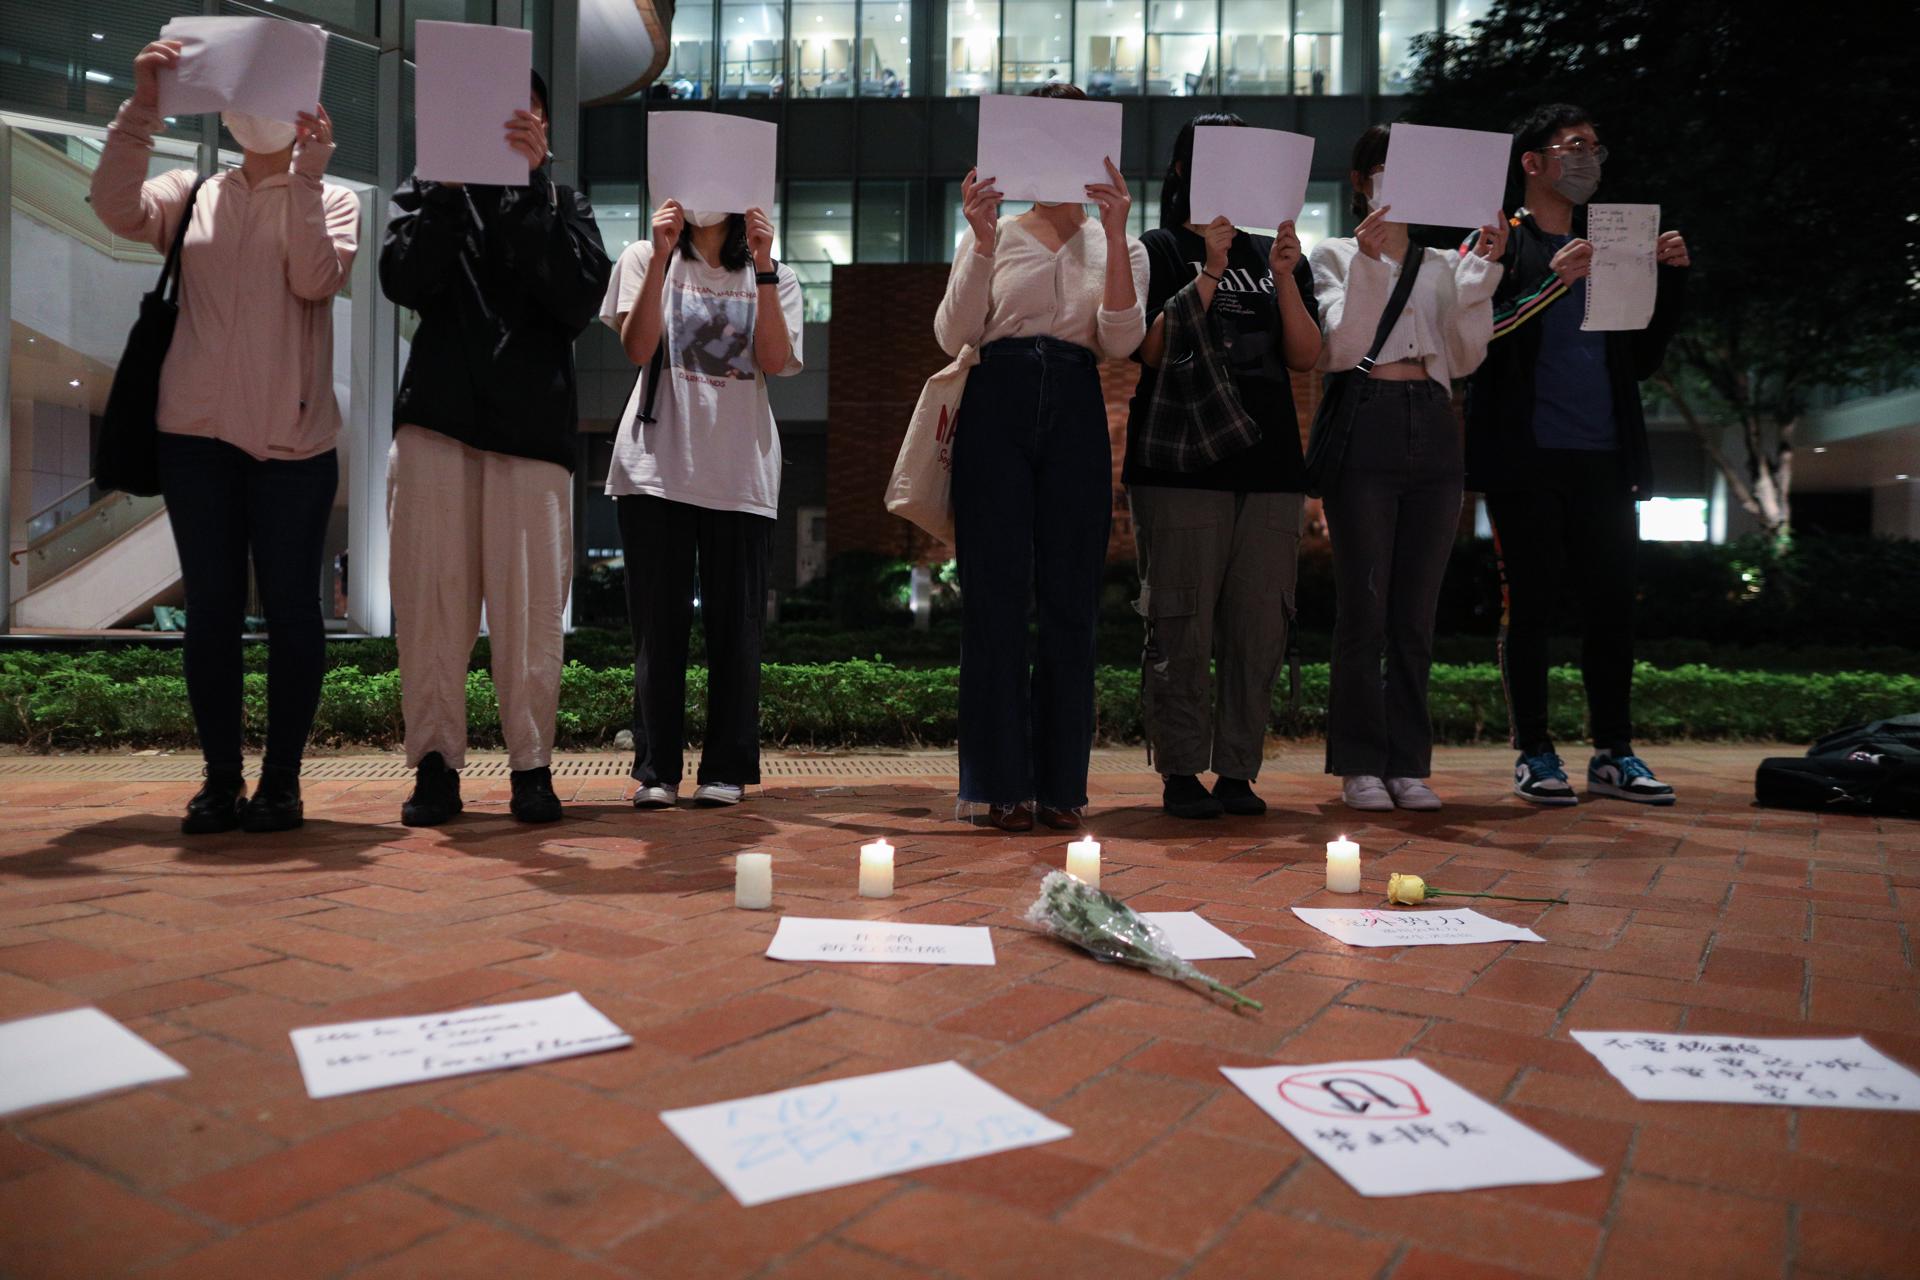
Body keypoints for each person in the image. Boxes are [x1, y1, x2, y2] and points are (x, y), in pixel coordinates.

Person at [91, 39, 358, 835]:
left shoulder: (332, 197)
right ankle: (218, 781)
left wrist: (309, 176)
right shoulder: (193, 189)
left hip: (294, 444)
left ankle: (281, 783)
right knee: (210, 611)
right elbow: (112, 208)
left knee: (291, 612)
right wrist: (143, 107)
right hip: (196, 438)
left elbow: (315, 278)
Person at [380, 70, 612, 827]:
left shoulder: (561, 202)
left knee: (531, 610)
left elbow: (578, 299)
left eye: (529, 117)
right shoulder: (427, 189)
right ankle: (437, 766)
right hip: (437, 423)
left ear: (545, 128)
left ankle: (532, 767)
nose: (513, 128)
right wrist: (448, 191)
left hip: (532, 430)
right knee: (432, 602)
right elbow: (403, 278)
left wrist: (529, 188)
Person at [935, 83, 1147, 832]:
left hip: (1079, 401)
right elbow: (951, 332)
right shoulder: (995, 232)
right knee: (993, 595)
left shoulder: (1118, 241)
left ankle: (1060, 787)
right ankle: (995, 783)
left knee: (1070, 600)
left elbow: (1121, 340)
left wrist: (1117, 234)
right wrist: (982, 240)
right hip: (999, 394)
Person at [1465, 104, 1690, 806]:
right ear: (1532, 163)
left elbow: (1641, 359)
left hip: (1604, 455)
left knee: (1611, 606)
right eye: (1574, 146)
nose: (1590, 158)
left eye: (1597, 145)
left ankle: (1613, 752)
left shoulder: (1616, 243)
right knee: (1529, 603)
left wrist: (1671, 279)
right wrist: (1547, 282)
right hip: (1526, 456)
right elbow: (1474, 341)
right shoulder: (1503, 239)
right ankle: (1535, 751)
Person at [1126, 113, 1323, 819]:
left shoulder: (1274, 253)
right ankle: (1181, 771)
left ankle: (1238, 771)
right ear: (1185, 170)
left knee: (1258, 626)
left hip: (1270, 465)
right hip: (1181, 465)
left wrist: (1285, 277)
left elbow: (1305, 355)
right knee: (1181, 625)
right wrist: (1209, 266)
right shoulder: (1157, 248)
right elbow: (1148, 350)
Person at [1309, 124, 1507, 813]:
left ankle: (1408, 763)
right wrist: (1367, 264)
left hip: (1434, 418)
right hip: (1368, 417)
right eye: (1385, 169)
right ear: (1363, 180)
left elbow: (1468, 356)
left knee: (1416, 614)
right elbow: (1338, 349)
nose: (1398, 182)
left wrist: (1481, 275)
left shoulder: (1440, 263)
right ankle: (1360, 763)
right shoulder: (1333, 252)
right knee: (1364, 605)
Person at [601, 196, 802, 809]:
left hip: (740, 470)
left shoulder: (776, 273)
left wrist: (764, 267)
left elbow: (774, 359)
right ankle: (656, 769)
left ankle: (726, 768)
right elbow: (636, 349)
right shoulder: (644, 255)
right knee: (657, 630)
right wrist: (662, 256)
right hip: (656, 468)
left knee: (735, 630)